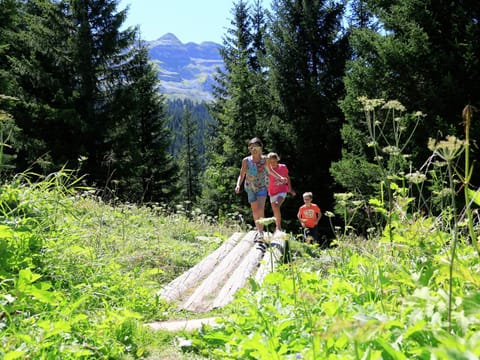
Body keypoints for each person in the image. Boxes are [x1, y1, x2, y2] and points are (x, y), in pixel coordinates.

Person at [235, 137, 269, 240]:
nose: (254, 150)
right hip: (250, 188)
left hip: (262, 187)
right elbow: (242, 174)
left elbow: (270, 172)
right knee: (255, 210)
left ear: (260, 148)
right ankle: (258, 229)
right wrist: (238, 185)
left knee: (260, 208)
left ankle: (260, 232)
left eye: (256, 147)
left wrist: (278, 179)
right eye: (251, 148)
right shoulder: (246, 160)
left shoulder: (265, 159)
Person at [267, 152, 295, 232]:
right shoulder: (267, 170)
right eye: (271, 162)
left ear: (277, 160)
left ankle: (278, 228)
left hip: (282, 190)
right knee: (275, 210)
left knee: (276, 205)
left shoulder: (283, 167)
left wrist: (290, 188)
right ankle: (278, 227)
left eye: (274, 161)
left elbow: (287, 178)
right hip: (272, 192)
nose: (273, 163)